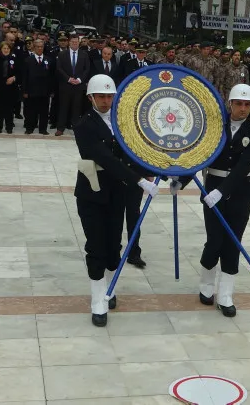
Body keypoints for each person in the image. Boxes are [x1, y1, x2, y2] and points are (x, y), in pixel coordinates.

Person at [74, 74, 159, 327]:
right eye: (101, 96)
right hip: (92, 192)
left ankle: (109, 289)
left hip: (117, 192)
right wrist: (138, 180)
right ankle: (97, 300)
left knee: (113, 244)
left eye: (109, 96)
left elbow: (136, 150)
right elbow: (106, 158)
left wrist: (157, 169)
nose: (106, 101)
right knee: (96, 246)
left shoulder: (123, 122)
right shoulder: (84, 125)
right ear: (90, 97)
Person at [174, 84, 250, 318]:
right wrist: (181, 181)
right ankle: (206, 285)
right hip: (213, 188)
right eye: (239, 104)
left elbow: (244, 166)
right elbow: (200, 156)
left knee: (233, 241)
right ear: (230, 104)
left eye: (247, 104)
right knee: (214, 240)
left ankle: (225, 295)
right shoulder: (214, 128)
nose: (242, 108)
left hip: (240, 191)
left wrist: (222, 192)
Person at [0, 42, 20, 134]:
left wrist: (14, 78)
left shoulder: (14, 59)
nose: (6, 50)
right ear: (1, 49)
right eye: (4, 48)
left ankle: (9, 127)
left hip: (11, 87)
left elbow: (19, 72)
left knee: (9, 109)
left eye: (8, 48)